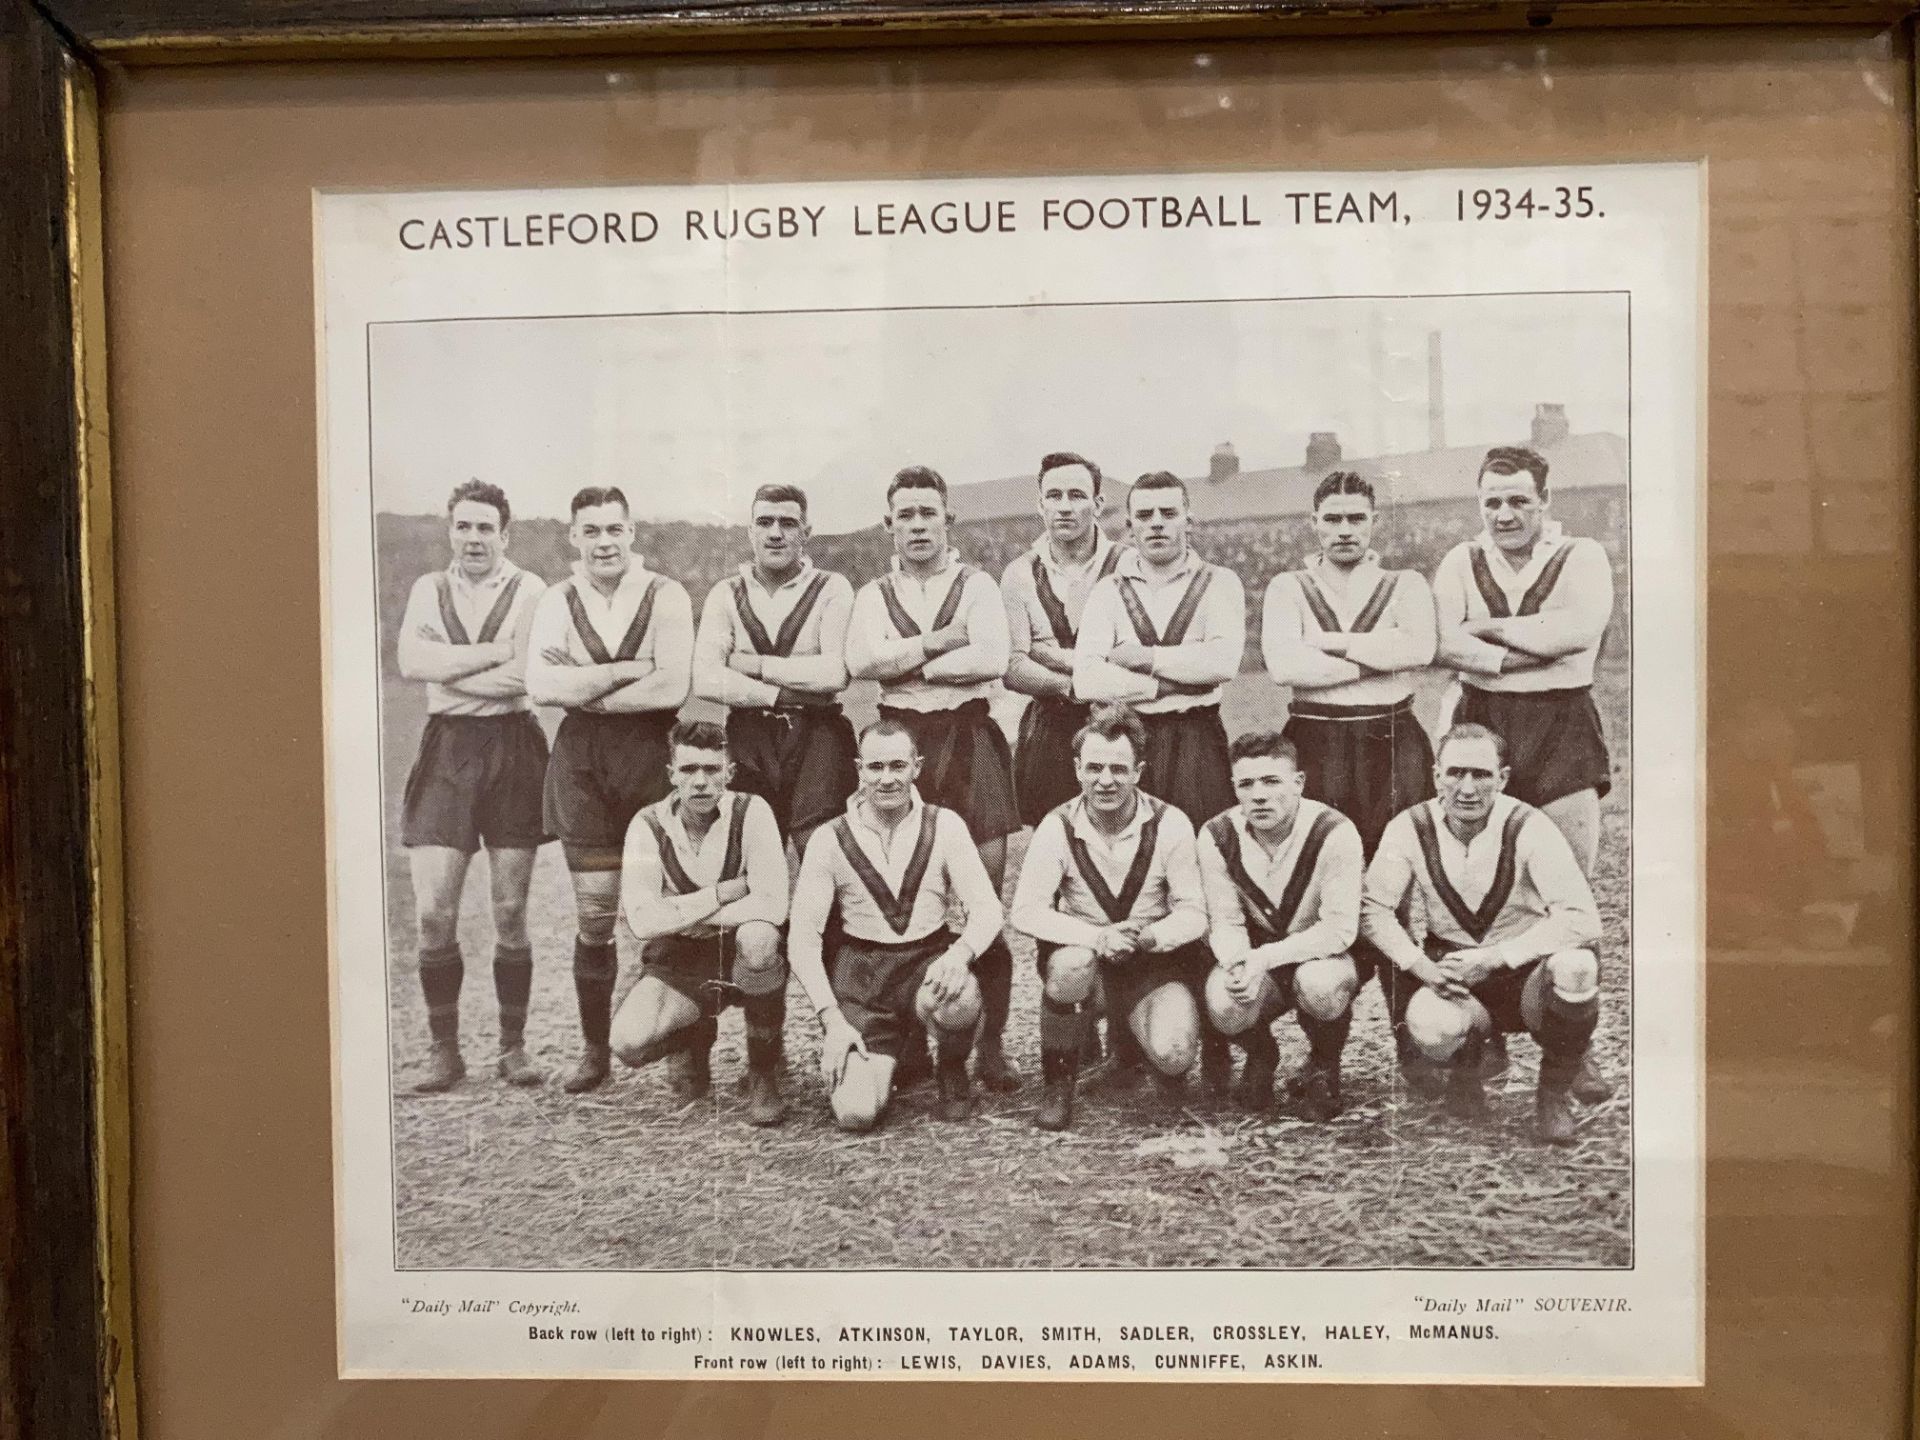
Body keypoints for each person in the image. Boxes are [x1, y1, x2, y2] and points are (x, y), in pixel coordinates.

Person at [846, 465, 1021, 1092]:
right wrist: (943, 643)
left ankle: (993, 1046)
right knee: (902, 893)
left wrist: (909, 659)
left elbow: (993, 658)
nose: (918, 525)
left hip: (970, 740)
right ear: (889, 523)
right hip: (901, 740)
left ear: (949, 519)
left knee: (983, 898)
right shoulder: (871, 594)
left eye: (929, 513)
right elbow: (863, 663)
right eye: (905, 515)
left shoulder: (978, 584)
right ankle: (912, 1041)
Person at [1360, 723, 1606, 1144]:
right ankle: (1466, 1069)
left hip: (1527, 972)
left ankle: (1553, 1093)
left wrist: (1495, 957)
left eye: (1482, 774)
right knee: (1429, 1023)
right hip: (1456, 975)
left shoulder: (1529, 825)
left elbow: (1582, 919)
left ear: (1503, 778)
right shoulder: (1409, 827)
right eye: (1455, 773)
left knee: (1578, 966)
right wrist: (1421, 967)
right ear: (1436, 776)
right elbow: (1374, 909)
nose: (1467, 788)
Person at [526, 485, 693, 1094]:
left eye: (613, 530)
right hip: (583, 760)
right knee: (595, 910)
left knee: (669, 909)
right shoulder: (555, 598)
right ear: (573, 536)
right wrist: (627, 669)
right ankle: (595, 1050)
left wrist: (583, 681)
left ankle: (682, 1042)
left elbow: (672, 688)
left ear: (632, 533)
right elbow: (541, 686)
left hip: (651, 753)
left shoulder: (665, 593)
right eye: (590, 531)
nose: (603, 541)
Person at [395, 479, 549, 1092]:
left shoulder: (530, 588)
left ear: (505, 534)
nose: (475, 537)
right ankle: (444, 1050)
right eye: (464, 526)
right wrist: (495, 656)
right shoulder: (427, 589)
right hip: (448, 749)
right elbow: (412, 664)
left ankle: (513, 1048)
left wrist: (453, 668)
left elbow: (526, 675)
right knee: (434, 912)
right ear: (450, 531)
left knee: (510, 910)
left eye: (486, 527)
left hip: (513, 746)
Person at [787, 719, 1006, 1130]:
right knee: (856, 1114)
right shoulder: (829, 837)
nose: (887, 779)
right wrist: (831, 1020)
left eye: (898, 766)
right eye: (875, 767)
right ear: (859, 769)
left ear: (916, 767)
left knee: (957, 998)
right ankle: (892, 1054)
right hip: (864, 976)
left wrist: (959, 955)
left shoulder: (945, 824)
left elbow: (988, 908)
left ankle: (951, 1070)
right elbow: (802, 937)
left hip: (927, 962)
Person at [1009, 704, 1210, 1131]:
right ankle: (1058, 1085)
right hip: (1090, 963)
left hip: (1152, 960)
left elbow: (1195, 912)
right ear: (1077, 768)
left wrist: (1151, 937)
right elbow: (1026, 910)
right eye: (1094, 768)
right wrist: (1097, 937)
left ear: (1139, 771)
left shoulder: (1171, 823)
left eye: (1118, 769)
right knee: (1069, 963)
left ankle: (1136, 1052)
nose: (1105, 781)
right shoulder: (1056, 825)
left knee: (1174, 1054)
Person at [1432, 445, 1615, 875]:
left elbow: (1579, 633)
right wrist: (1536, 648)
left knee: (1566, 877)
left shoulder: (1581, 554)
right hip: (1480, 719)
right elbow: (1439, 643)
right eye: (1491, 503)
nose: (1504, 515)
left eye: (1519, 501)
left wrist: (1483, 627)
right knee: (1479, 875)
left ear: (1545, 499)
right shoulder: (1462, 560)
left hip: (1562, 720)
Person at [610, 721, 790, 1126]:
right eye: (689, 770)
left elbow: (774, 905)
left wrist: (680, 910)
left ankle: (763, 1074)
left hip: (741, 947)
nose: (701, 782)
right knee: (627, 1045)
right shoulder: (647, 825)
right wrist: (721, 894)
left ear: (729, 773)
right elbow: (642, 920)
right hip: (682, 955)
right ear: (671, 774)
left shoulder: (753, 811)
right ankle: (694, 1035)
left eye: (712, 770)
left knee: (761, 935)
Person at [1262, 470, 1437, 856]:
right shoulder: (1288, 586)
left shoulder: (1405, 583)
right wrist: (1378, 658)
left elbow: (1420, 650)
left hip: (1392, 737)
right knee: (1315, 866)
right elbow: (1285, 666)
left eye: (1356, 519)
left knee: (1393, 869)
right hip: (1313, 737)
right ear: (1314, 523)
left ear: (1374, 521)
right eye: (1332, 519)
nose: (1344, 530)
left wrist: (1327, 643)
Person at [1198, 731, 1364, 1120]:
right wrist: (1239, 963)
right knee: (1224, 1000)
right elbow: (1224, 919)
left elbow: (1339, 930)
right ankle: (1261, 1053)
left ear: (1299, 783)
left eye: (1272, 781)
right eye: (1246, 784)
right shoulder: (1216, 835)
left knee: (1320, 986)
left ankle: (1324, 1063)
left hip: (1323, 954)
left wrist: (1264, 958)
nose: (1258, 795)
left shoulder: (1334, 831)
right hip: (1257, 953)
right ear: (1234, 787)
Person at [691, 483, 857, 856]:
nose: (776, 533)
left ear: (806, 532)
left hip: (818, 732)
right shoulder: (725, 593)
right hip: (748, 734)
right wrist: (781, 693)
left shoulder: (832, 587)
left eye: (788, 523)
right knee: (755, 852)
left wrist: (753, 665)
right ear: (751, 531)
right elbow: (705, 677)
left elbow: (835, 674)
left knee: (820, 849)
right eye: (764, 522)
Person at [1072, 471, 1245, 828]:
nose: (1156, 524)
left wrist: (1145, 658)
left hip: (1197, 738)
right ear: (1129, 524)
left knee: (1202, 849)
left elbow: (1222, 663)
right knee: (1130, 852)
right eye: (1145, 515)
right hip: (1129, 740)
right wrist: (1168, 683)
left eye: (1168, 514)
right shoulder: (1107, 591)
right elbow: (1087, 679)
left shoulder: (1220, 582)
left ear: (1189, 522)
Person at [1000, 451, 1124, 827]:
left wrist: (1047, 654)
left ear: (1098, 504)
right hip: (1049, 730)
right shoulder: (1019, 574)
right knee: (1054, 846)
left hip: (1119, 724)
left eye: (1077, 495)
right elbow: (1012, 666)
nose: (1065, 507)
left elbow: (1130, 653)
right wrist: (1078, 681)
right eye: (1054, 496)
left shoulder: (1128, 564)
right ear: (1040, 504)